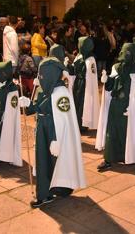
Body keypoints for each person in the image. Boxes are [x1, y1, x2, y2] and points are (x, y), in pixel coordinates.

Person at [19, 57, 86, 208]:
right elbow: (40, 107)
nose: (40, 78)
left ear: (50, 75)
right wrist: (28, 104)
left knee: (46, 162)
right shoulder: (49, 89)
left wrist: (57, 139)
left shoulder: (61, 93)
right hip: (43, 128)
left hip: (52, 132)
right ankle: (57, 188)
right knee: (46, 162)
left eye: (42, 76)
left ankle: (45, 195)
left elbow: (62, 120)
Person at [96, 43, 135, 171]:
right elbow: (112, 85)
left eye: (128, 53)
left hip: (128, 108)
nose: (125, 56)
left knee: (130, 133)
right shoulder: (116, 67)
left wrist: (133, 105)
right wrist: (106, 80)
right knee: (112, 133)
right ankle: (109, 158)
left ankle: (132, 157)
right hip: (115, 105)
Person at [67, 37, 99, 131]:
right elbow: (74, 69)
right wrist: (68, 66)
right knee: (77, 103)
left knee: (83, 104)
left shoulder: (90, 59)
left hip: (85, 84)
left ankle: (82, 125)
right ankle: (77, 123)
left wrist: (88, 87)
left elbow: (90, 75)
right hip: (78, 83)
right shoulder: (80, 56)